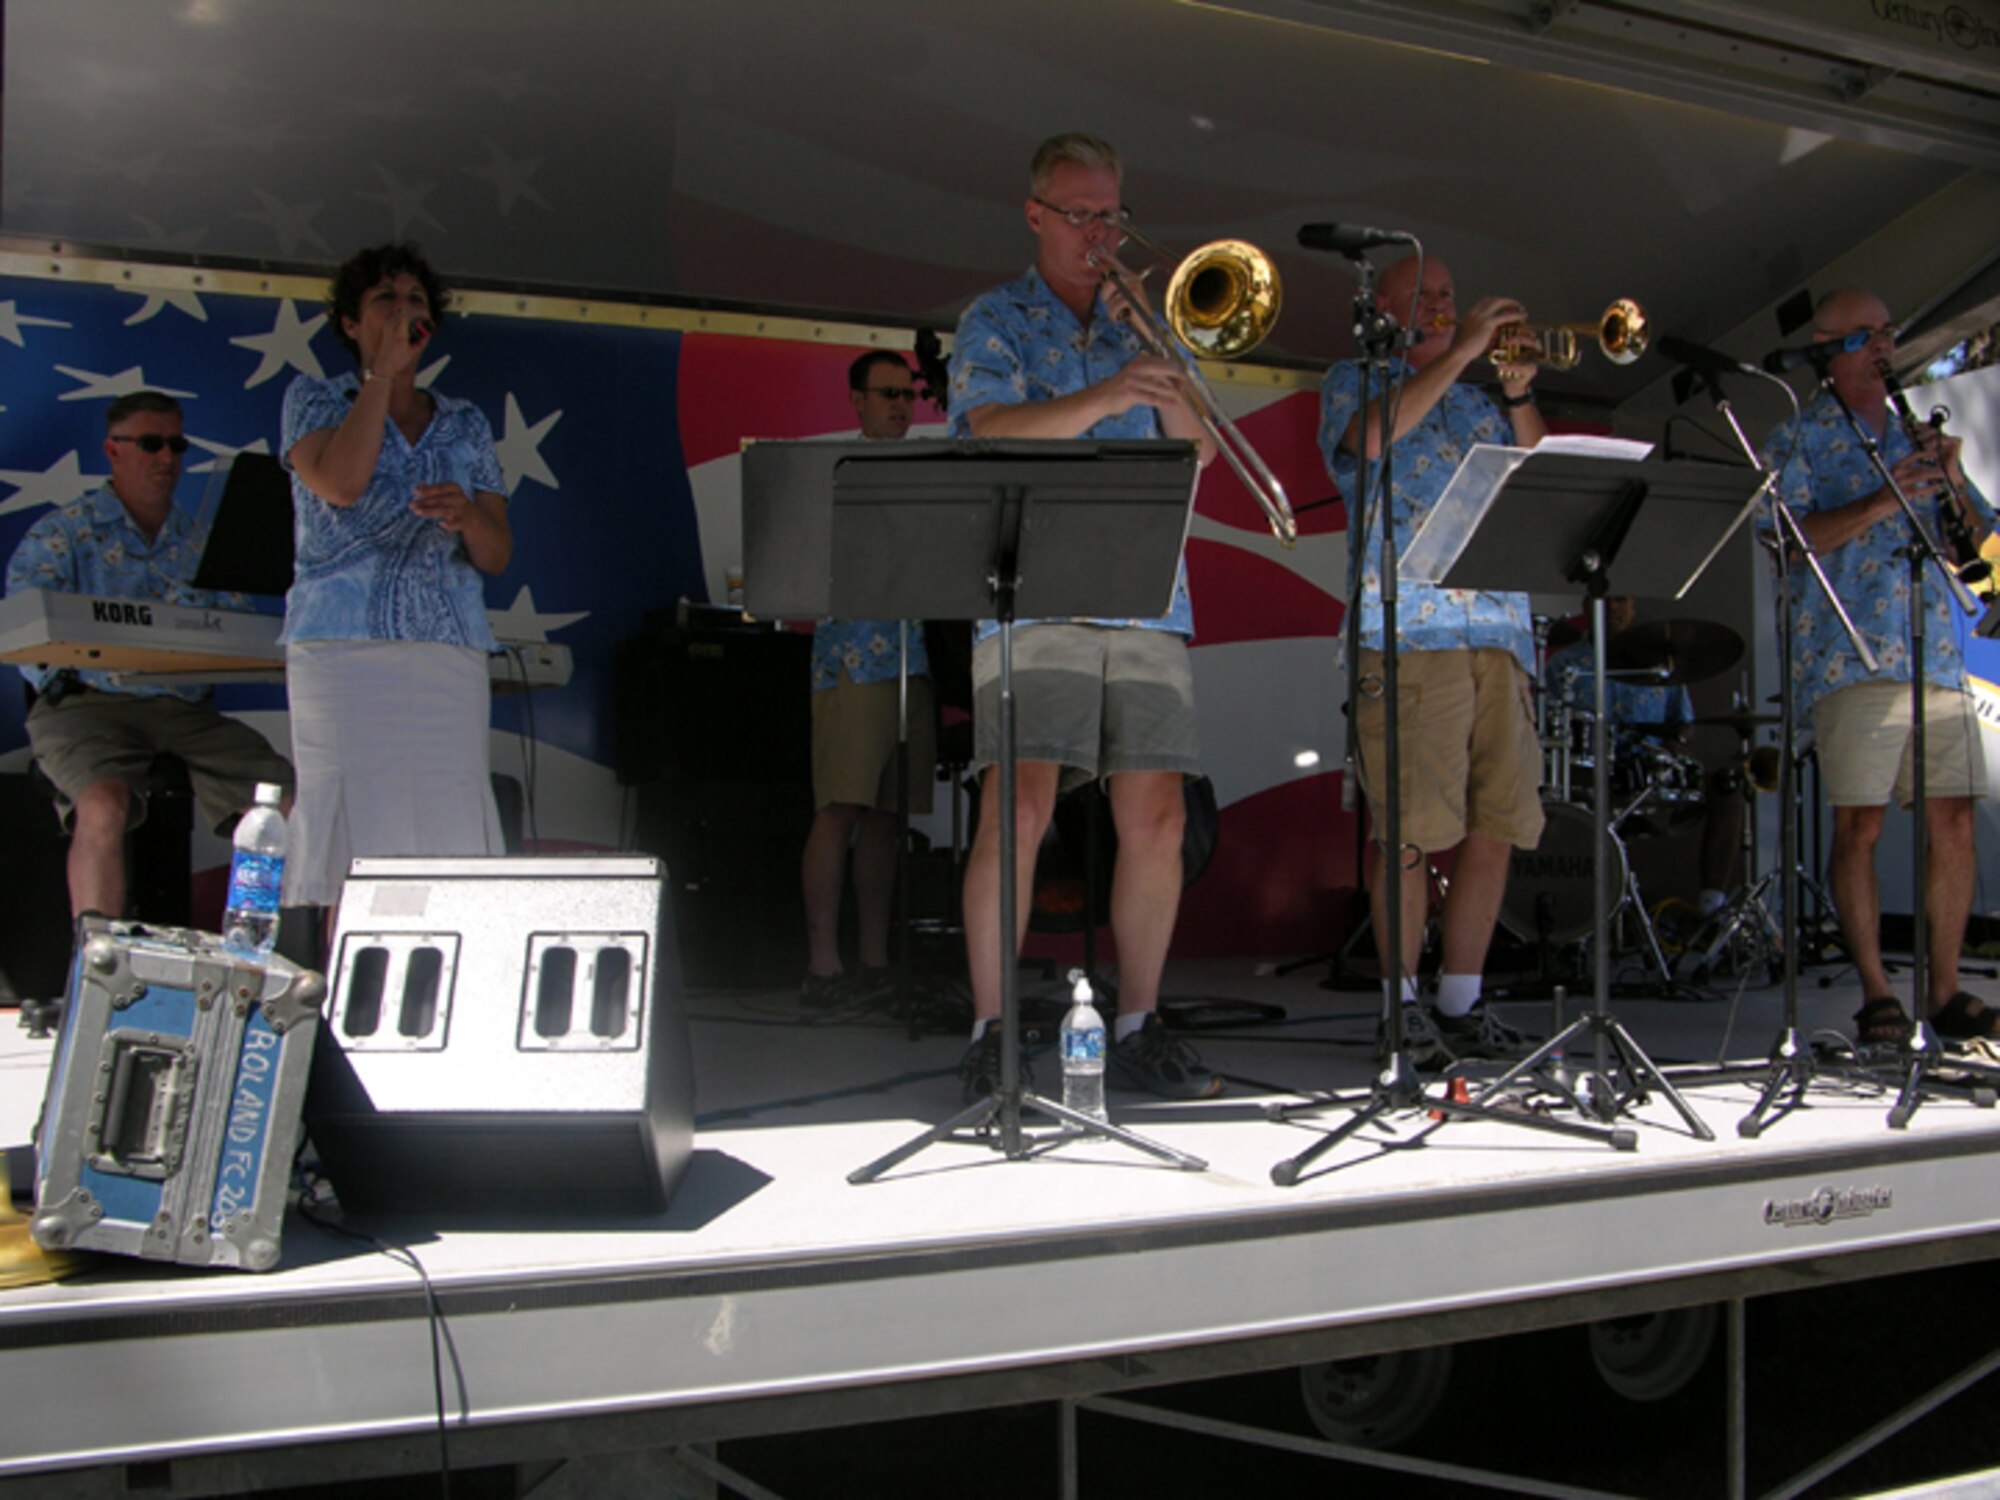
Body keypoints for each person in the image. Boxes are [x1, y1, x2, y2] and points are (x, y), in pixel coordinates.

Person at [946, 131, 1219, 1102]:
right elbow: (984, 431)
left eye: (1112, 213)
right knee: (1014, 811)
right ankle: (990, 1032)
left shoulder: (1146, 322)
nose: (1100, 232)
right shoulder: (994, 319)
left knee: (1154, 817)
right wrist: (1106, 394)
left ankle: (1139, 1025)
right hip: (1031, 596)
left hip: (1146, 593)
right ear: (1034, 215)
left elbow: (1200, 457)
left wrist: (1156, 352)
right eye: (1080, 214)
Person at [1319, 254, 1548, 1068]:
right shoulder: (1353, 379)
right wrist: (1458, 352)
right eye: (1429, 298)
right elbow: (1372, 439)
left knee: (1496, 825)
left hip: (1498, 633)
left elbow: (1541, 478)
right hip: (1409, 633)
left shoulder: (1486, 402)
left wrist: (1517, 391)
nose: (1449, 308)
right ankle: (1400, 1006)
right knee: (1412, 833)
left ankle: (1461, 999)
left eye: (1453, 296)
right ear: (1380, 307)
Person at [1758, 287, 1995, 1046]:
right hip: (1850, 656)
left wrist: (1951, 483)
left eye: (1889, 332)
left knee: (1954, 819)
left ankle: (1947, 989)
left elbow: (1978, 550)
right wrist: (1887, 500)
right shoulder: (1796, 438)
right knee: (1857, 826)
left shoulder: (1910, 432)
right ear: (1829, 349)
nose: (1886, 346)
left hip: (1933, 650)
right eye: (1869, 335)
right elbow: (1790, 539)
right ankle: (1875, 990)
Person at [280, 243, 513, 916]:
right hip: (342, 648)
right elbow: (341, 484)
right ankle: (343, 1005)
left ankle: (434, 995)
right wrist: (380, 376)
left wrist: (467, 515)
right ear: (350, 323)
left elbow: (497, 553)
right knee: (351, 824)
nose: (403, 310)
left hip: (446, 646)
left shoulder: (464, 421)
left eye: (415, 300)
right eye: (385, 298)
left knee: (447, 820)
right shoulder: (313, 400)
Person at [5, 391, 294, 919]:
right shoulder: (63, 533)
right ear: (113, 451)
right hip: (88, 708)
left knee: (287, 802)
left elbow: (238, 630)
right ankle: (99, 967)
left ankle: (274, 948)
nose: (167, 458)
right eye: (151, 444)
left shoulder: (201, 540)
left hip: (187, 713)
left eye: (176, 445)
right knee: (103, 804)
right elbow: (26, 637)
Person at [799, 352, 938, 1006]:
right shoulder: (838, 473)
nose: (901, 405)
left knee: (887, 815)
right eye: (886, 394)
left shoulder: (928, 472)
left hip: (915, 661)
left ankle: (875, 960)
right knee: (840, 809)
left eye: (908, 394)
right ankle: (823, 965)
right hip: (855, 658)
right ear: (855, 400)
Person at [1545, 596, 1744, 914]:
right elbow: (1548, 728)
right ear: (1585, 606)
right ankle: (1588, 910)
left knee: (1728, 790)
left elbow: (1682, 724)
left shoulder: (1657, 663)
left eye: (1621, 600)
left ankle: (1712, 907)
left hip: (1650, 775)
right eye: (1604, 600)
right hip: (1590, 780)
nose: (1613, 608)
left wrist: (1674, 744)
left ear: (1633, 608)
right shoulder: (1565, 666)